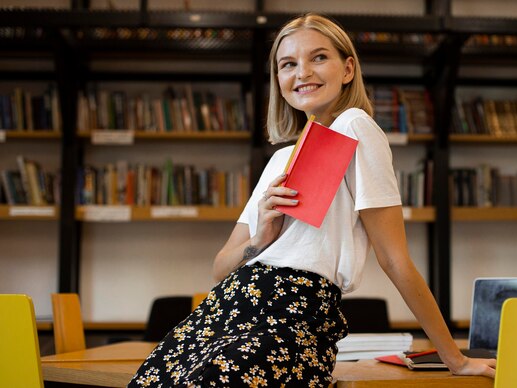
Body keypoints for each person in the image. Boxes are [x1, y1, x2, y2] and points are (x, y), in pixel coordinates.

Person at [128, 12, 496, 387]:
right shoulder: (278, 161)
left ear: (348, 68)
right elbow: (221, 268)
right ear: (279, 80)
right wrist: (260, 239)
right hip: (226, 307)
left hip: (293, 308)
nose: (302, 72)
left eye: (318, 57)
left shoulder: (354, 125)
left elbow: (393, 257)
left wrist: (455, 358)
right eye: (288, 64)